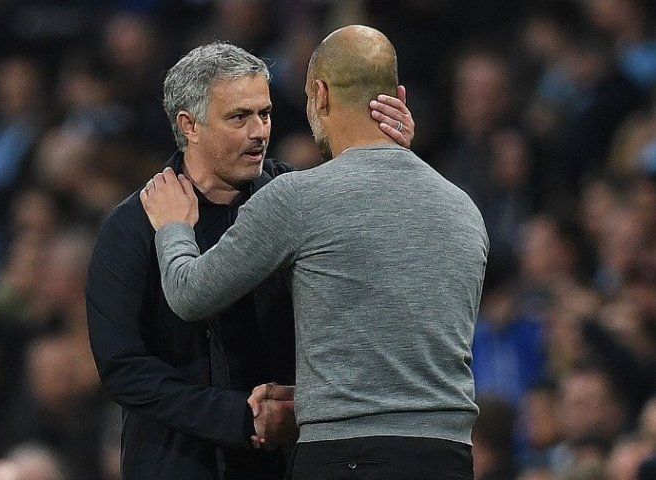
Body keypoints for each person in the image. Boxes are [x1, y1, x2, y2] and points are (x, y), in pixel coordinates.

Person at [141, 25, 488, 479]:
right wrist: (312, 396)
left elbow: (190, 294)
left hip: (346, 458)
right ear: (396, 95)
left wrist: (172, 228)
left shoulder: (299, 199)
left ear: (319, 95)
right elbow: (408, 347)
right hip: (449, 457)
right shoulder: (464, 208)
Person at [85, 41, 413, 480]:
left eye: (265, 113)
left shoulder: (298, 199)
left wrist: (391, 161)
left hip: (296, 461)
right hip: (180, 464)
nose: (259, 131)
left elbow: (374, 257)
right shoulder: (133, 226)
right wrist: (239, 418)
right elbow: (123, 367)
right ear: (190, 126)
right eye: (239, 117)